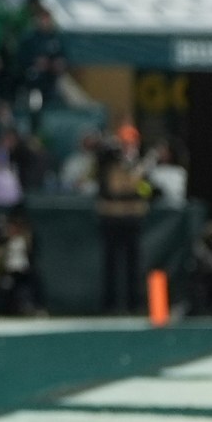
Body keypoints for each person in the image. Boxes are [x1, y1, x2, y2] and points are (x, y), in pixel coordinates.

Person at [94, 125, 149, 313]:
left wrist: (141, 185)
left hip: (132, 217)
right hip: (112, 217)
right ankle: (110, 305)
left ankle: (134, 304)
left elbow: (144, 190)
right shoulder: (110, 161)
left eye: (132, 143)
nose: (129, 146)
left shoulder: (140, 164)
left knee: (133, 264)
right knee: (111, 264)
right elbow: (111, 187)